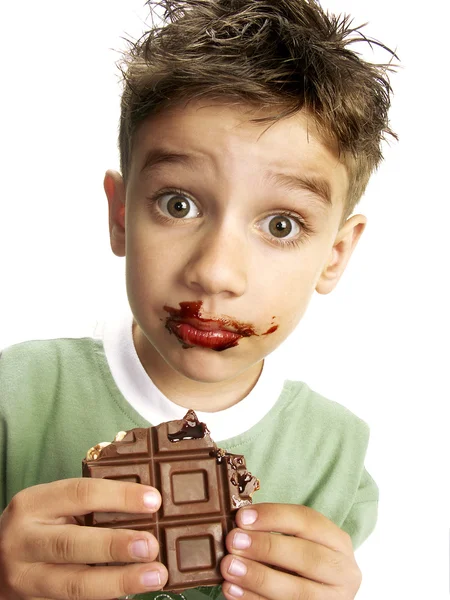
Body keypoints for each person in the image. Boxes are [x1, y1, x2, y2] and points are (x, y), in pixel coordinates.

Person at [0, 0, 397, 598]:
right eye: (177, 204)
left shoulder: (334, 461)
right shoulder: (15, 398)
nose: (215, 273)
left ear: (336, 254)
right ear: (120, 215)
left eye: (282, 224)